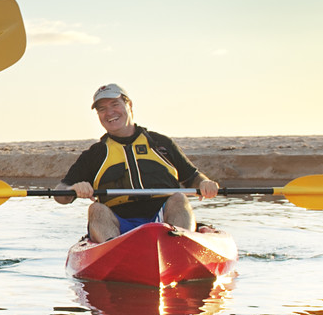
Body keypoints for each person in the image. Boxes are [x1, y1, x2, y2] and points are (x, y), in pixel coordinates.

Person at [59, 82, 219, 241]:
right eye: (102, 109)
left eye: (115, 104)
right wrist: (73, 188)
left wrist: (205, 183)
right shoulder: (95, 154)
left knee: (179, 199)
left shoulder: (161, 143)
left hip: (164, 222)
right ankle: (115, 251)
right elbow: (61, 194)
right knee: (96, 209)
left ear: (129, 104)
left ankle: (179, 244)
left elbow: (193, 177)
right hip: (118, 227)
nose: (109, 112)